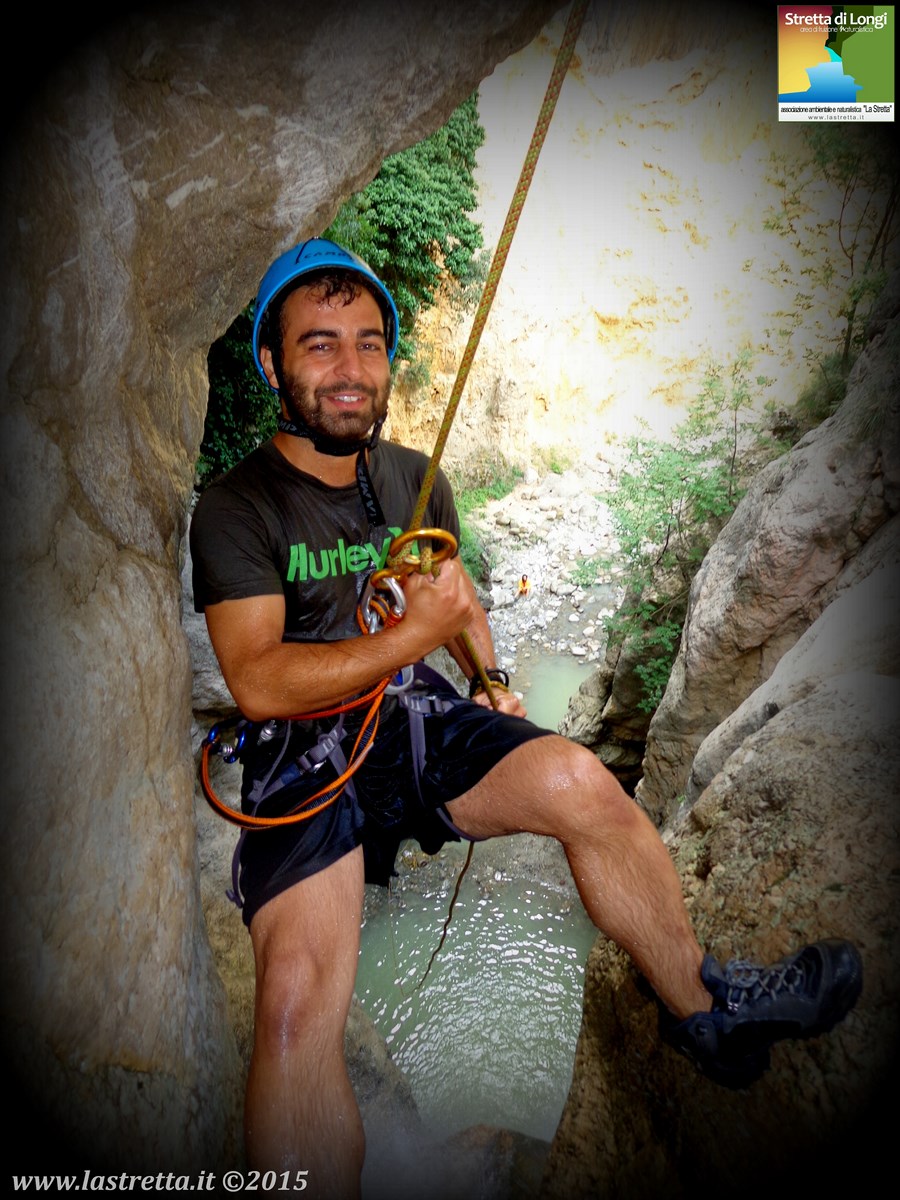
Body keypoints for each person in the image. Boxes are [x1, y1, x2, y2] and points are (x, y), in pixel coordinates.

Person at [190, 239, 862, 1191]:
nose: (351, 370)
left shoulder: (413, 479)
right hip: (303, 752)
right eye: (320, 345)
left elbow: (452, 593)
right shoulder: (238, 506)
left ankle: (705, 1009)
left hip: (409, 718)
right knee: (296, 1006)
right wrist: (413, 635)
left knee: (580, 782)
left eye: (370, 344)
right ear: (271, 363)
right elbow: (259, 681)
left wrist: (489, 675)